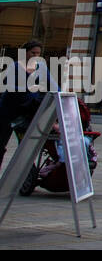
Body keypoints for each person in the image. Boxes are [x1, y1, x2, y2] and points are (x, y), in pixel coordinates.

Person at [0, 40, 53, 170]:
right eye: (32, 53)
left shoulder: (41, 68)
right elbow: (10, 85)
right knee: (0, 144)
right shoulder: (16, 66)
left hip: (26, 112)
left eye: (38, 53)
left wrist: (59, 94)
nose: (35, 56)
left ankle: (21, 176)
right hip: (8, 111)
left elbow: (52, 84)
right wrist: (31, 87)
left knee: (25, 146)